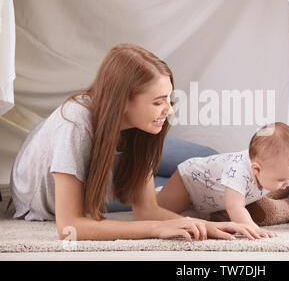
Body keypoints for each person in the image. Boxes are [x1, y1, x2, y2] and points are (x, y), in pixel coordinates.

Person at [9, 43, 258, 242]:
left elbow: (147, 208)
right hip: (54, 192)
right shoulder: (75, 124)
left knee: (208, 159)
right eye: (158, 101)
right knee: (190, 188)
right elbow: (69, 226)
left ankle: (274, 182)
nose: (169, 110)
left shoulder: (139, 128)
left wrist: (208, 226)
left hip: (112, 160)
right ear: (124, 101)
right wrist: (157, 229)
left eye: (169, 99)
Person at [157, 122, 289, 239]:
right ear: (256, 169)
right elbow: (235, 207)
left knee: (193, 212)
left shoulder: (278, 169)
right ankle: (153, 190)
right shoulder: (238, 173)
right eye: (283, 179)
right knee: (158, 211)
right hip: (188, 182)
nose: (288, 183)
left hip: (207, 196)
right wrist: (253, 228)